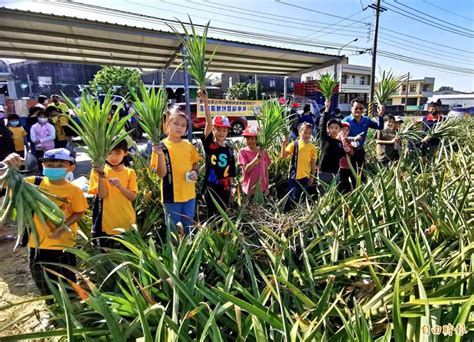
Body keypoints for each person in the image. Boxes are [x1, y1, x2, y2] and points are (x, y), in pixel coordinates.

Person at [0, 149, 88, 304]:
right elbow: (6, 183)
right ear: (43, 165)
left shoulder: (74, 190)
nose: (54, 167)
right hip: (37, 245)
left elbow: (79, 212)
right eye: (50, 164)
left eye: (60, 164)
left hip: (63, 245)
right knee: (43, 282)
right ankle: (52, 309)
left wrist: (64, 226)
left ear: (71, 167)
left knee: (67, 282)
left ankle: (71, 310)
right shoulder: (33, 183)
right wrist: (8, 166)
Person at [150, 111, 201, 234]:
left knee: (188, 227)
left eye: (183, 125)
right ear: (168, 125)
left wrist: (195, 171)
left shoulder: (188, 145)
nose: (179, 127)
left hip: (189, 194)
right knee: (173, 230)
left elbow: (195, 164)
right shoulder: (160, 146)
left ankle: (189, 251)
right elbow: (161, 174)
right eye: (176, 123)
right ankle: (175, 251)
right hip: (171, 196)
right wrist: (160, 155)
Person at [89, 139, 138, 247]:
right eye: (109, 153)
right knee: (106, 255)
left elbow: (132, 196)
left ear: (125, 153)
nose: (113, 157)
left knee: (127, 254)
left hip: (126, 221)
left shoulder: (130, 172)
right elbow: (102, 195)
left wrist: (120, 186)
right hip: (105, 223)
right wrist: (101, 175)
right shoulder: (96, 171)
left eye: (118, 153)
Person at [200, 91, 236, 218]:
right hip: (211, 187)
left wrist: (232, 186)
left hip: (225, 188)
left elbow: (231, 170)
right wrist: (205, 102)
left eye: (224, 130)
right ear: (213, 130)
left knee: (224, 216)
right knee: (212, 216)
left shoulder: (230, 149)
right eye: (218, 129)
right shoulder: (209, 145)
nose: (221, 133)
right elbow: (208, 123)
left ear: (227, 131)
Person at [342, 98, 384, 181]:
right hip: (348, 152)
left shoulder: (366, 120)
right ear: (351, 109)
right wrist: (353, 139)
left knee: (360, 173)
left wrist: (380, 115)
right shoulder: (346, 121)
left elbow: (380, 127)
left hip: (360, 151)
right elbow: (341, 137)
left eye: (361, 108)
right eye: (356, 108)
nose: (358, 110)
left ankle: (358, 190)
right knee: (348, 173)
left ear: (364, 109)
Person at [281, 122, 317, 210]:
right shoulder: (294, 144)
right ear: (299, 132)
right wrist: (283, 144)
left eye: (309, 133)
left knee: (302, 197)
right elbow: (284, 156)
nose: (307, 135)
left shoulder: (312, 147)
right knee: (292, 197)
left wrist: (312, 176)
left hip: (306, 177)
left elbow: (313, 162)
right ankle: (290, 213)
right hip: (294, 177)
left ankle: (300, 213)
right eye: (305, 132)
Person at [318, 100, 348, 186]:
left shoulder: (339, 142)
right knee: (322, 194)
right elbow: (322, 125)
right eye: (331, 127)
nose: (334, 130)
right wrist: (327, 109)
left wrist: (346, 150)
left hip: (335, 172)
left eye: (336, 128)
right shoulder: (325, 139)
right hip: (323, 172)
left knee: (333, 195)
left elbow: (342, 155)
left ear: (339, 130)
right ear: (328, 129)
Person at [238, 125, 271, 197]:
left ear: (257, 139)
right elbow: (246, 170)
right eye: (248, 139)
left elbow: (266, 170)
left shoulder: (263, 152)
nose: (250, 141)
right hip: (249, 189)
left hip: (262, 188)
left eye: (252, 138)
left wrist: (267, 187)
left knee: (260, 207)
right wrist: (256, 159)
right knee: (250, 207)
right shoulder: (243, 151)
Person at [338, 122, 354, 193]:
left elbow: (352, 153)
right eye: (343, 129)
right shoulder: (337, 140)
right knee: (341, 184)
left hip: (347, 166)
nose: (345, 131)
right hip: (339, 167)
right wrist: (343, 140)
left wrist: (349, 150)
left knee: (346, 184)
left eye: (347, 130)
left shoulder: (348, 140)